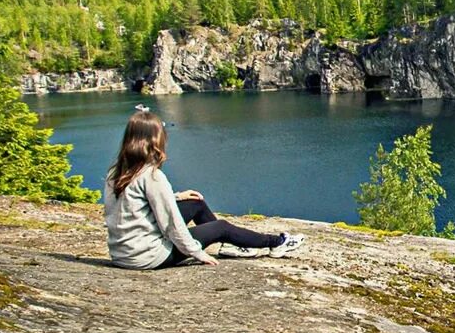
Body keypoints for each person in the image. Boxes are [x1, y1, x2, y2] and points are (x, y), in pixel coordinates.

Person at [103, 109, 305, 269]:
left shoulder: (117, 171)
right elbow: (171, 225)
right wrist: (196, 252)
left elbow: (130, 205)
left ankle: (234, 244)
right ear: (155, 141)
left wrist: (176, 197)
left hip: (123, 253)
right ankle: (277, 242)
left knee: (195, 203)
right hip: (148, 257)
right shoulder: (153, 176)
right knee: (222, 227)